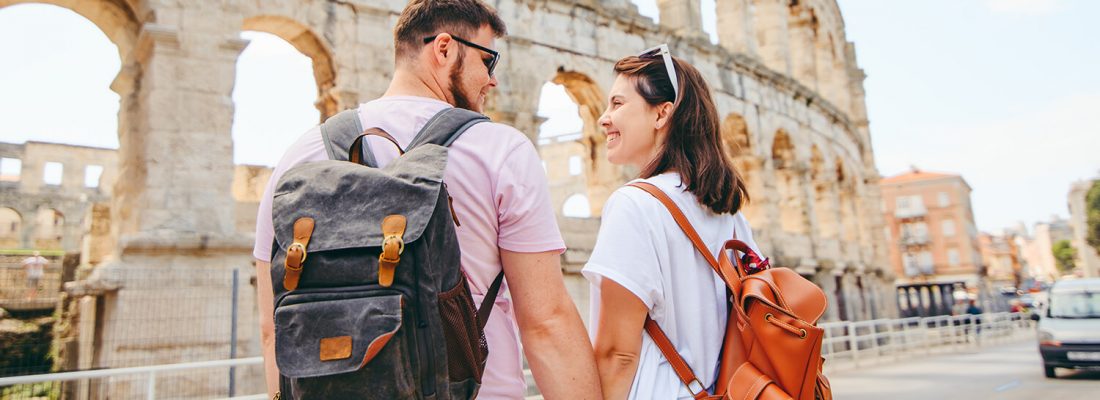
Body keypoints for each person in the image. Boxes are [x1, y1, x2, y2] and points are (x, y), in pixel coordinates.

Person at [251, 1, 600, 398]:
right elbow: (546, 324)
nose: (493, 80)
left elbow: (272, 329)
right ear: (445, 48)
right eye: (488, 61)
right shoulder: (500, 151)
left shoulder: (298, 157)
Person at [582, 44, 759, 399]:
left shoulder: (633, 204)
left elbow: (617, 353)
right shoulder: (729, 212)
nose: (603, 118)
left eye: (617, 104)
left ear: (662, 114)